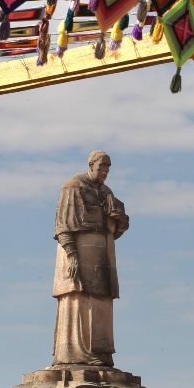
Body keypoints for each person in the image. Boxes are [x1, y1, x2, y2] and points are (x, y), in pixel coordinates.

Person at [52, 151, 129, 367]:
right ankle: (75, 353)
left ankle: (101, 352)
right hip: (78, 250)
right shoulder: (73, 186)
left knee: (101, 300)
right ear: (91, 164)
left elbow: (116, 230)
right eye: (101, 166)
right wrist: (72, 254)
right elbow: (63, 226)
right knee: (79, 297)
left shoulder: (106, 192)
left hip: (103, 253)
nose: (105, 171)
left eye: (108, 167)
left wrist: (117, 219)